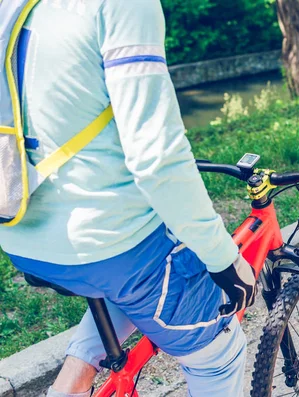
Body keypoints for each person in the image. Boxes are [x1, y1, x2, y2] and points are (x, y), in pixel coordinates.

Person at [0, 0, 257, 396]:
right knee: (219, 356)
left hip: (21, 238)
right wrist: (224, 259)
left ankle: (73, 378)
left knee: (130, 277)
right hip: (108, 245)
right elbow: (158, 158)